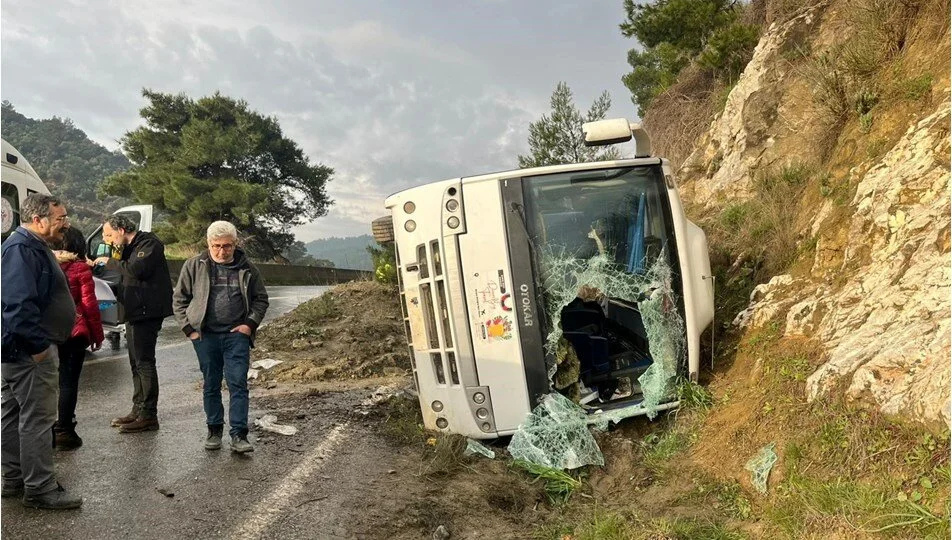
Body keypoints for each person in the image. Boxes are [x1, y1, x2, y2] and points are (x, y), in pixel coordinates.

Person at [1, 193, 83, 509]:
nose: (66, 224)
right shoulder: (21, 249)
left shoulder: (31, 246)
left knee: (13, 415)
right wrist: (38, 349)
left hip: (19, 350)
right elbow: (17, 306)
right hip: (29, 353)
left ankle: (15, 479)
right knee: (37, 419)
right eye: (61, 218)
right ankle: (40, 488)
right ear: (38, 220)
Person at [172, 221, 269, 453]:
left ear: (235, 244)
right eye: (216, 245)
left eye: (227, 246)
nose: (221, 251)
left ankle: (239, 435)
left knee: (238, 383)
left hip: (236, 336)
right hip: (205, 336)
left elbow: (261, 299)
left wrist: (249, 325)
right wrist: (190, 330)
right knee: (211, 384)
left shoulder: (247, 268)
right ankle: (214, 430)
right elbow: (179, 300)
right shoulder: (194, 265)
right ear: (209, 243)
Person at [88, 214, 173, 433]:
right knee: (135, 362)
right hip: (133, 311)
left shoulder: (149, 244)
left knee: (145, 362)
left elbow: (136, 270)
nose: (106, 240)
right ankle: (138, 409)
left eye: (108, 235)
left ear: (121, 230)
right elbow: (122, 273)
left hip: (147, 311)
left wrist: (110, 261)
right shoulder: (128, 247)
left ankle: (149, 415)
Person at [52, 226, 104, 450]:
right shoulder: (80, 268)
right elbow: (89, 305)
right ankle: (64, 430)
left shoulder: (43, 262)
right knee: (68, 382)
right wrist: (97, 335)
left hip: (47, 332)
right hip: (74, 331)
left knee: (47, 382)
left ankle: (45, 430)